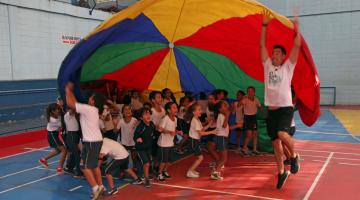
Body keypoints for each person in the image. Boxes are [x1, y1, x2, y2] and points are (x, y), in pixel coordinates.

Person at [260, 10, 301, 189]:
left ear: (283, 57)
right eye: (274, 52)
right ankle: (281, 172)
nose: (275, 54)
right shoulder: (267, 65)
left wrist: (296, 28)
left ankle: (295, 156)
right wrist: (264, 25)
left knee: (282, 135)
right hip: (271, 110)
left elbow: (297, 46)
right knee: (275, 144)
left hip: (285, 108)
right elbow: (261, 45)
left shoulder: (288, 67)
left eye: (278, 53)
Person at [65, 82, 105, 199]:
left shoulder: (89, 109)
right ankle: (101, 186)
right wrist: (72, 93)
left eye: (91, 98)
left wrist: (68, 90)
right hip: (96, 141)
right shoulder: (94, 110)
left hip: (91, 142)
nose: (89, 99)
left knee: (84, 166)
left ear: (93, 101)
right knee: (93, 165)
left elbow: (71, 103)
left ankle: (95, 189)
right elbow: (75, 103)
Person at [185, 103, 216, 178]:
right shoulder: (194, 120)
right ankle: (189, 171)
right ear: (193, 112)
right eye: (199, 110)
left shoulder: (197, 119)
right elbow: (201, 133)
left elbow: (202, 129)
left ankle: (191, 170)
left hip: (195, 141)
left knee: (199, 157)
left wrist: (209, 124)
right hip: (193, 141)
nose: (201, 111)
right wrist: (212, 132)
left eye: (201, 109)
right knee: (200, 157)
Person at [212, 101, 239, 180]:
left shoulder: (221, 115)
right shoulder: (221, 116)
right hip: (221, 138)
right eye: (224, 106)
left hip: (222, 138)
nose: (226, 106)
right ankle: (215, 173)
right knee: (224, 159)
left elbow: (226, 127)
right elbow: (224, 126)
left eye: (226, 105)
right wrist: (227, 115)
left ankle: (216, 170)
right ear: (220, 109)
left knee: (222, 158)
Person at [39, 103, 67, 173]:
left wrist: (61, 105)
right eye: (57, 109)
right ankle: (60, 167)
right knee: (64, 150)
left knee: (58, 150)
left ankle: (44, 159)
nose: (59, 110)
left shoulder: (55, 116)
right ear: (53, 111)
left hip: (54, 135)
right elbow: (63, 125)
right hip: (52, 135)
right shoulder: (53, 120)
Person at [134, 107, 156, 188]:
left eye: (148, 113)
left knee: (148, 163)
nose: (148, 115)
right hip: (141, 148)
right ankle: (146, 179)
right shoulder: (140, 127)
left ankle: (144, 174)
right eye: (145, 114)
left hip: (148, 147)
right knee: (146, 163)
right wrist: (137, 139)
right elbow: (135, 136)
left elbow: (152, 133)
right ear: (141, 117)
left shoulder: (152, 124)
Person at [241, 86, 263, 156]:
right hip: (247, 117)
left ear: (254, 92)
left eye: (251, 91)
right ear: (247, 92)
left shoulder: (256, 99)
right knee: (249, 135)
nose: (250, 92)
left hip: (254, 117)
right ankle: (244, 149)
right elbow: (239, 105)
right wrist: (242, 99)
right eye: (248, 91)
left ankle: (254, 149)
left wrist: (261, 108)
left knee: (255, 134)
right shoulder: (245, 99)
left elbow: (259, 106)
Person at [115, 104, 138, 170]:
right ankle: (122, 170)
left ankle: (134, 167)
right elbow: (115, 131)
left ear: (132, 111)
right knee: (124, 157)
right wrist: (115, 124)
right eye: (126, 109)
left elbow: (139, 131)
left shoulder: (135, 120)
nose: (128, 110)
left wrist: (138, 125)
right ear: (122, 112)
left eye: (129, 109)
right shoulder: (121, 121)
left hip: (133, 142)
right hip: (124, 142)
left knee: (134, 156)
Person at [149, 91, 166, 173]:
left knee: (159, 151)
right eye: (158, 97)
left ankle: (156, 166)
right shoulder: (151, 111)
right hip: (153, 134)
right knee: (152, 151)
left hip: (161, 133)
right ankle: (150, 166)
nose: (161, 99)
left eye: (161, 97)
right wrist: (155, 126)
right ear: (153, 100)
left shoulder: (163, 110)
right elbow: (148, 123)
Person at [64, 107, 82, 178]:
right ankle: (78, 172)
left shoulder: (74, 116)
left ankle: (69, 167)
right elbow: (72, 110)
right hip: (71, 135)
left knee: (76, 153)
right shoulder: (67, 115)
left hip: (75, 134)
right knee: (77, 154)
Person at [204, 93, 219, 168]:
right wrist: (207, 122)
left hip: (216, 129)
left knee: (211, 148)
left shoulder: (218, 109)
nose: (210, 100)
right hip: (210, 128)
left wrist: (211, 121)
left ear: (215, 100)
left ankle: (219, 163)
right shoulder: (207, 108)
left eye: (211, 99)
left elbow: (219, 120)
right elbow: (209, 120)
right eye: (209, 99)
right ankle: (216, 161)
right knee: (209, 147)